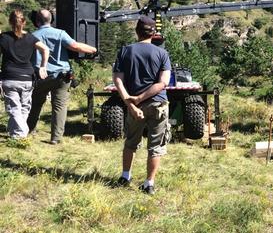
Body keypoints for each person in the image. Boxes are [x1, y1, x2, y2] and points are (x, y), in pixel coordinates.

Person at [112, 16, 172, 195]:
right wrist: (140, 98)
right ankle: (149, 184)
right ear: (153, 34)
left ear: (136, 31)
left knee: (131, 142)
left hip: (133, 105)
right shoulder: (162, 54)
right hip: (158, 103)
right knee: (156, 146)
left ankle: (125, 176)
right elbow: (163, 83)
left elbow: (117, 80)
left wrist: (130, 102)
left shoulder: (125, 51)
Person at [27, 10, 97, 144]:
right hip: (61, 76)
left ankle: (30, 129)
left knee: (35, 104)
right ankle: (56, 138)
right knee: (59, 106)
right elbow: (75, 46)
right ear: (51, 20)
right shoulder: (60, 33)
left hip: (39, 76)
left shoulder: (31, 36)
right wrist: (93, 49)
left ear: (36, 21)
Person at [0, 10, 49, 138]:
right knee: (24, 108)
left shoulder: (4, 38)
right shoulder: (31, 38)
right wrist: (43, 67)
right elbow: (45, 49)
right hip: (27, 78)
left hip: (9, 78)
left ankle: (20, 135)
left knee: (14, 108)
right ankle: (15, 134)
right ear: (24, 22)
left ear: (10, 22)